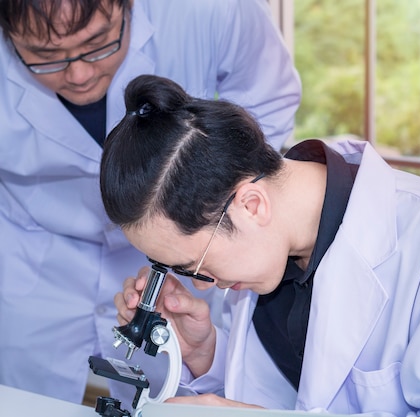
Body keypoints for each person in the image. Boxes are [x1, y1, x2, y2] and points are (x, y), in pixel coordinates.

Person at [103, 74, 420, 417]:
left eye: (194, 265)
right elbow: (294, 393)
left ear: (250, 205)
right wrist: (205, 353)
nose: (207, 284)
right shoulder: (274, 249)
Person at [0, 0, 301, 410]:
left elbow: (269, 96)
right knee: (44, 404)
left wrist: (198, 206)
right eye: (44, 57)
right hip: (39, 265)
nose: (80, 73)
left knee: (169, 392)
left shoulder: (212, 8)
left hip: (182, 246)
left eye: (98, 43)